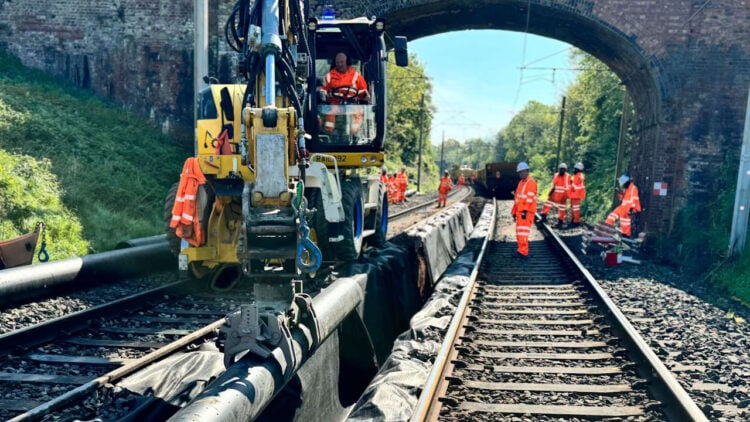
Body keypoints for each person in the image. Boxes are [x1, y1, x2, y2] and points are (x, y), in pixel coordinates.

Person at [319, 53, 369, 135]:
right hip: (335, 104)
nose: (339, 64)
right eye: (337, 62)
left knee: (358, 112)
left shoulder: (356, 76)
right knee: (330, 113)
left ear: (347, 62)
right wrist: (326, 94)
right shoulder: (329, 76)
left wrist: (362, 95)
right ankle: (328, 134)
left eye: (342, 62)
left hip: (352, 104)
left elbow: (364, 91)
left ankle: (355, 134)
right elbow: (323, 90)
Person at [511, 162, 537, 259]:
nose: (521, 174)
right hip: (520, 212)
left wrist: (525, 211)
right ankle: (521, 250)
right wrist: (514, 212)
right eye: (519, 172)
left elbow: (529, 199)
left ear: (527, 171)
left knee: (523, 233)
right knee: (519, 233)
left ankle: (523, 252)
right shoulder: (521, 183)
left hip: (526, 213)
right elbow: (517, 199)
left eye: (523, 172)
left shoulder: (531, 183)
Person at [541, 163, 570, 228]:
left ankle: (560, 222)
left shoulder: (567, 176)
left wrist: (567, 195)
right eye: (561, 169)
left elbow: (568, 186)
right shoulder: (556, 175)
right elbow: (554, 185)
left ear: (565, 170)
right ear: (559, 169)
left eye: (563, 169)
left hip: (563, 195)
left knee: (562, 208)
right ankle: (543, 217)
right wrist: (551, 192)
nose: (562, 170)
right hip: (555, 193)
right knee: (547, 204)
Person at [568, 162, 586, 228]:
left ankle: (576, 221)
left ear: (578, 169)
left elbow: (576, 185)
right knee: (573, 208)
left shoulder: (579, 176)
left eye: (575, 169)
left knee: (575, 209)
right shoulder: (576, 175)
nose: (574, 170)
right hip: (573, 195)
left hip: (576, 195)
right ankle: (573, 220)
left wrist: (572, 184)